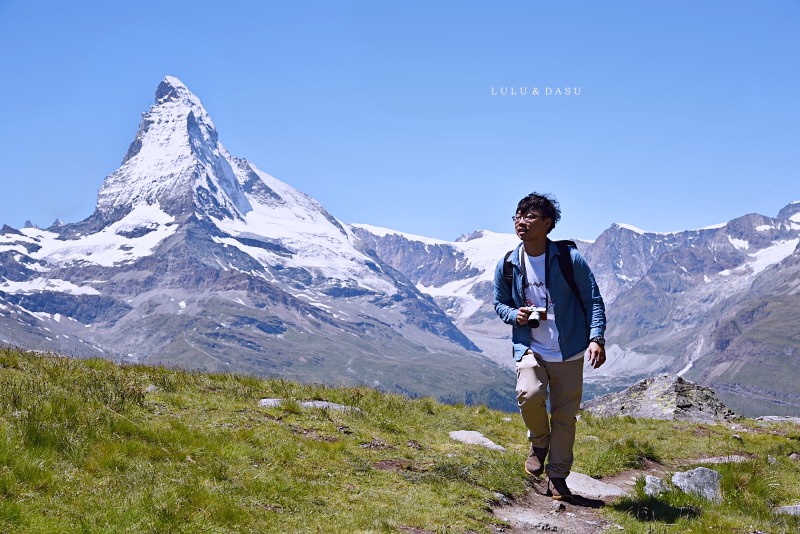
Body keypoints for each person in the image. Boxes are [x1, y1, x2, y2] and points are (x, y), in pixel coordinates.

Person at [493, 192, 607, 501]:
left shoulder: (569, 260)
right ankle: (539, 442)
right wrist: (512, 314)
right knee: (528, 394)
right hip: (531, 345)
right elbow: (499, 303)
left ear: (547, 224)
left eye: (530, 217)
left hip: (569, 349)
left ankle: (557, 476)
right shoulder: (508, 264)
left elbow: (593, 300)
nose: (521, 222)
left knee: (565, 416)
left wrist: (596, 338)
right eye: (518, 215)